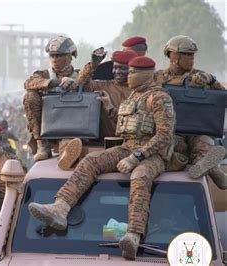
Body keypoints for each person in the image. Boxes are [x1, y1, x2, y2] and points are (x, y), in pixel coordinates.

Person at [28, 56, 175, 260]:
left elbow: (164, 136)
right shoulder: (134, 96)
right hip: (127, 147)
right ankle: (60, 208)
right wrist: (111, 109)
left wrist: (136, 157)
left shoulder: (159, 98)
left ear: (146, 74)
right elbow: (127, 129)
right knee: (91, 161)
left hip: (153, 155)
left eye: (132, 72)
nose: (128, 75)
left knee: (140, 176)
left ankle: (133, 235)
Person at [154, 35, 226, 189]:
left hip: (197, 128)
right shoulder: (159, 77)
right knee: (177, 149)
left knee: (206, 144)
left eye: (192, 54)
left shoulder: (202, 76)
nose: (191, 58)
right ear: (173, 55)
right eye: (187, 54)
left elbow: (222, 97)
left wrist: (211, 80)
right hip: (171, 129)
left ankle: (205, 166)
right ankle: (213, 170)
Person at [57, 49, 139, 170]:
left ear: (132, 70)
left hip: (131, 143)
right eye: (115, 68)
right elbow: (82, 84)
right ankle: (68, 157)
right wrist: (93, 64)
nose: (117, 72)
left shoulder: (140, 91)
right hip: (104, 140)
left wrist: (110, 107)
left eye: (123, 68)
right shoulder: (104, 85)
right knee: (69, 139)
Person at [24, 36, 78, 161]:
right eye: (52, 56)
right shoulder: (44, 74)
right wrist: (57, 82)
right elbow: (28, 83)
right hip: (48, 127)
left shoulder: (79, 75)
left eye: (58, 55)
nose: (54, 59)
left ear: (70, 56)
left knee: (68, 153)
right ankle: (42, 145)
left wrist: (75, 84)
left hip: (72, 127)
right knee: (30, 96)